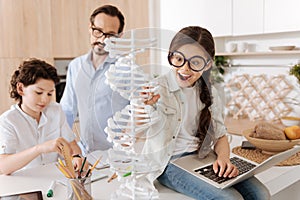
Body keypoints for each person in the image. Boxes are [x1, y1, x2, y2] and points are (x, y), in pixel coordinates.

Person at [141, 26, 270, 200]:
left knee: (261, 194)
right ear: (171, 57)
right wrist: (145, 108)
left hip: (203, 157)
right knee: (230, 199)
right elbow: (137, 131)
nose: (184, 69)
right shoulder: (156, 90)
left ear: (207, 63)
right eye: (179, 59)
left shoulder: (209, 92)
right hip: (169, 164)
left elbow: (220, 136)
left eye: (194, 62)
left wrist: (224, 158)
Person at [60, 5, 128, 152]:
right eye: (98, 31)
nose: (103, 39)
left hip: (116, 156)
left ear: (119, 37)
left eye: (110, 35)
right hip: (85, 153)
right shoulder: (75, 66)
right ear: (90, 29)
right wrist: (67, 148)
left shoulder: (127, 69)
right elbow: (67, 111)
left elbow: (138, 114)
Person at [0, 58, 83, 175]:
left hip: (53, 179)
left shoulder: (55, 110)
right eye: (39, 92)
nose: (45, 99)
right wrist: (39, 148)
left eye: (49, 93)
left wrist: (76, 157)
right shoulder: (8, 120)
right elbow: (3, 167)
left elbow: (71, 144)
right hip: (24, 183)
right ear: (20, 88)